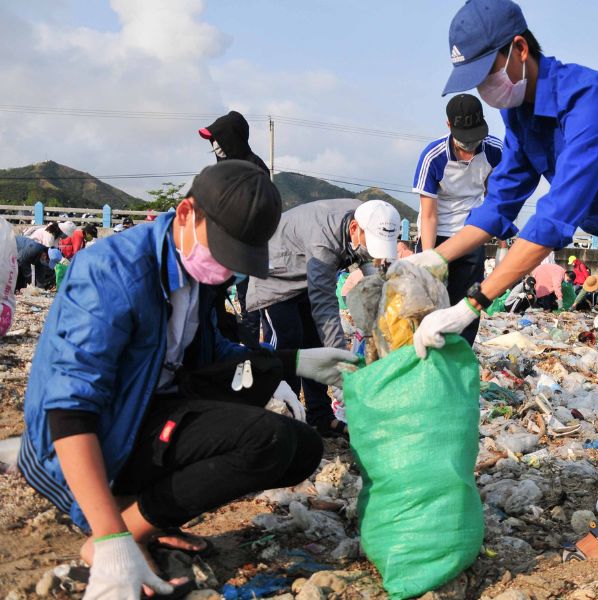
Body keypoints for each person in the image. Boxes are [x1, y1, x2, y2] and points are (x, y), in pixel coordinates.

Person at [409, 0, 598, 560]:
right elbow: (502, 199)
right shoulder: (523, 117)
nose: (484, 89)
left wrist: (474, 301)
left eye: (486, 73)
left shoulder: (588, 101)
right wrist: (431, 260)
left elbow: (555, 216)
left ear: (519, 50)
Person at [18, 161, 359, 599]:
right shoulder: (112, 273)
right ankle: (118, 532)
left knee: (302, 447)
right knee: (265, 440)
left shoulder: (194, 275)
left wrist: (293, 361)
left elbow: (213, 357)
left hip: (148, 414)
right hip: (89, 441)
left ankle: (140, 519)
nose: (224, 268)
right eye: (221, 250)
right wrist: (111, 543)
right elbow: (68, 410)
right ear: (184, 214)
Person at [247, 199, 401, 436]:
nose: (372, 252)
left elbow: (375, 274)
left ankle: (320, 417)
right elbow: (325, 305)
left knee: (316, 344)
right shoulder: (324, 240)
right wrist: (342, 369)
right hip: (275, 276)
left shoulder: (373, 216)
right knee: (288, 342)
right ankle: (284, 417)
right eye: (371, 245)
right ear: (354, 229)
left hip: (305, 278)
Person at [413, 93, 503, 346]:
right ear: (449, 126)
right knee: (429, 305)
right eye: (465, 142)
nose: (470, 149)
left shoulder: (495, 151)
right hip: (437, 233)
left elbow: (493, 193)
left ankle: (458, 359)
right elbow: (429, 215)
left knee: (467, 306)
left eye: (475, 140)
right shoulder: (433, 157)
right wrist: (430, 259)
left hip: (471, 234)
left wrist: (493, 229)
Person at [199, 110, 271, 348]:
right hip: (218, 246)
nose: (215, 145)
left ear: (232, 138)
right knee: (213, 297)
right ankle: (220, 344)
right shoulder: (220, 168)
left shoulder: (255, 167)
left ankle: (250, 350)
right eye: (212, 141)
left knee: (248, 299)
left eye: (218, 139)